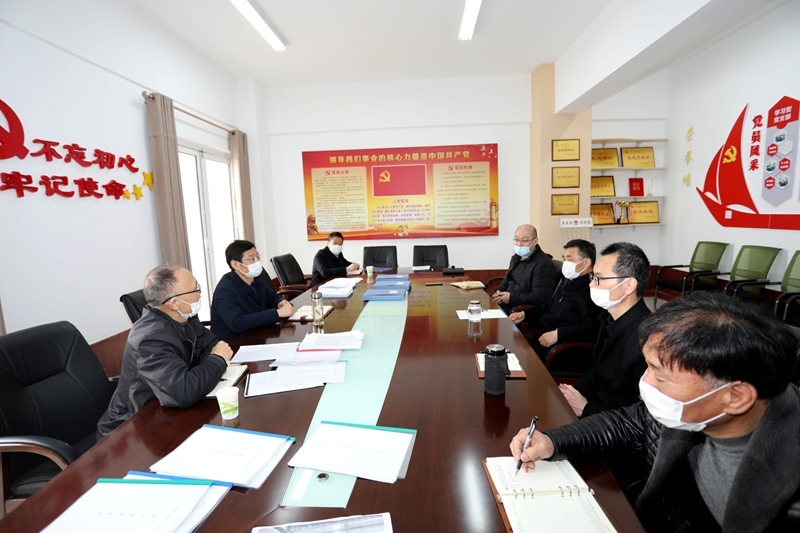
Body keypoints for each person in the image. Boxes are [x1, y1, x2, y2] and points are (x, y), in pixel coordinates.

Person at [511, 292, 800, 532]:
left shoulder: (786, 497)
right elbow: (626, 422)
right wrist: (552, 441)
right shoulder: (694, 409)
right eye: (648, 367)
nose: (645, 383)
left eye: (660, 376)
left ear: (736, 397)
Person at [97, 266, 233, 438]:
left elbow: (212, 344)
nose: (200, 293)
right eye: (195, 289)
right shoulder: (150, 339)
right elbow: (184, 392)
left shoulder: (185, 316)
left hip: (165, 412)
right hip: (129, 430)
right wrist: (217, 360)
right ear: (174, 303)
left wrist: (204, 371)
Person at [559, 241, 651, 418]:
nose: (591, 285)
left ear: (629, 285)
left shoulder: (648, 341)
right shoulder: (609, 320)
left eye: (599, 279)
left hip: (611, 424)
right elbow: (597, 372)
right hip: (594, 411)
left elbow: (642, 415)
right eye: (593, 277)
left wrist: (586, 408)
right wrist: (571, 397)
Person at [508, 239, 601, 362]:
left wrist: (559, 334)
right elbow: (550, 307)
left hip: (561, 350)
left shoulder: (592, 291)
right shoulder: (568, 281)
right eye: (564, 259)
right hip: (540, 340)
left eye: (570, 259)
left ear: (586, 263)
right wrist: (524, 314)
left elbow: (593, 329)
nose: (565, 263)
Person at [211, 240, 294, 342]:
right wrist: (276, 314)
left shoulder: (255, 278)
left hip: (257, 336)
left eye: (258, 257)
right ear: (235, 264)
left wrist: (281, 302)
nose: (257, 262)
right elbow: (237, 323)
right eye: (251, 259)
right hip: (233, 344)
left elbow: (271, 296)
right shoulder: (225, 290)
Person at [492, 224, 556, 314]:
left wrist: (511, 297)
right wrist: (499, 292)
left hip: (522, 310)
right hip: (509, 303)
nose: (519, 244)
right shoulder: (516, 258)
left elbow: (540, 297)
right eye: (517, 239)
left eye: (525, 241)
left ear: (535, 241)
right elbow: (507, 279)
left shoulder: (543, 264)